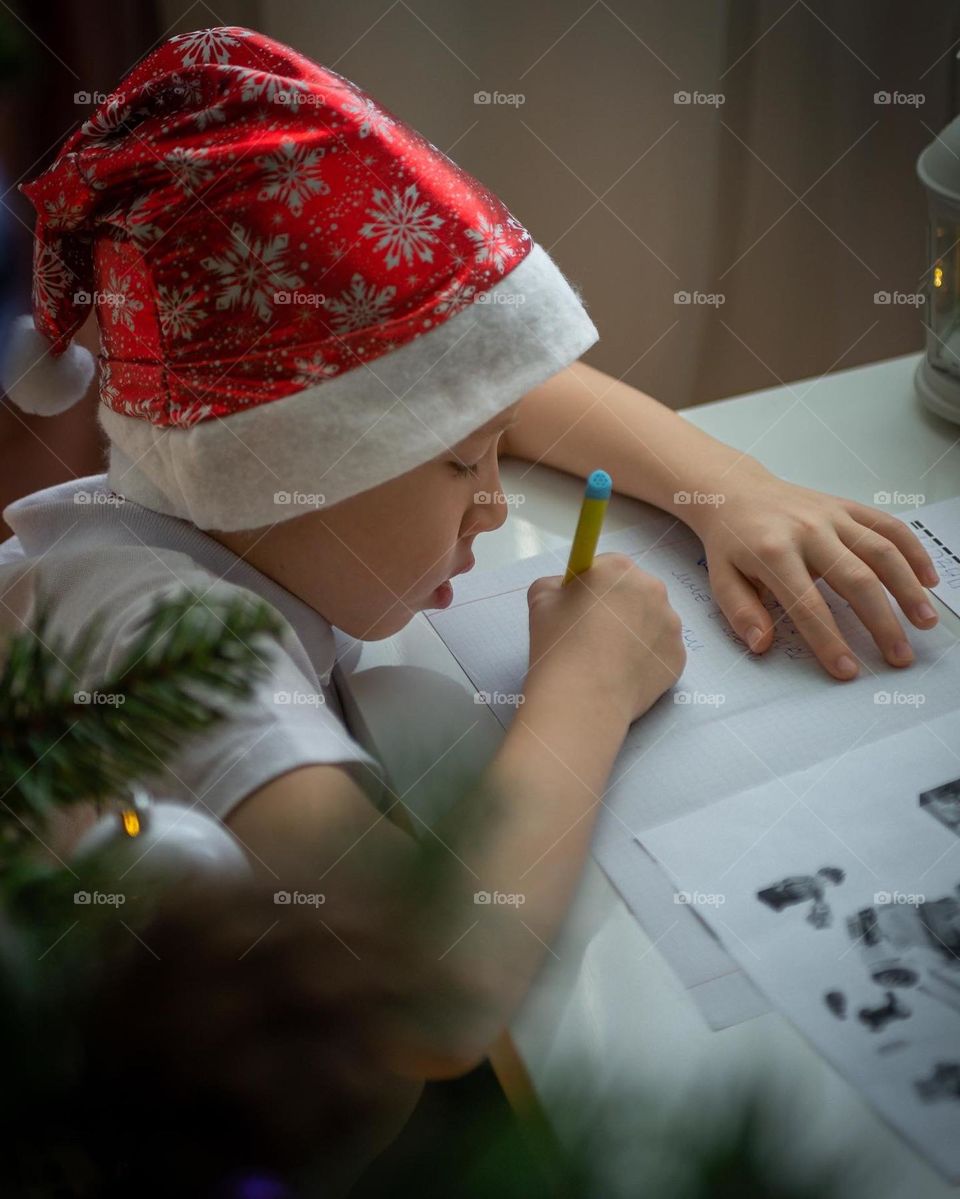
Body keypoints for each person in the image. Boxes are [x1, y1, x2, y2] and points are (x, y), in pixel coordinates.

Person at [0, 21, 941, 1156]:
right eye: (463, 464)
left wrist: (728, 486)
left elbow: (508, 390)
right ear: (298, 466)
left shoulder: (206, 479)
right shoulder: (163, 635)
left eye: (488, 451)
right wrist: (583, 694)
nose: (494, 504)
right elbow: (430, 992)